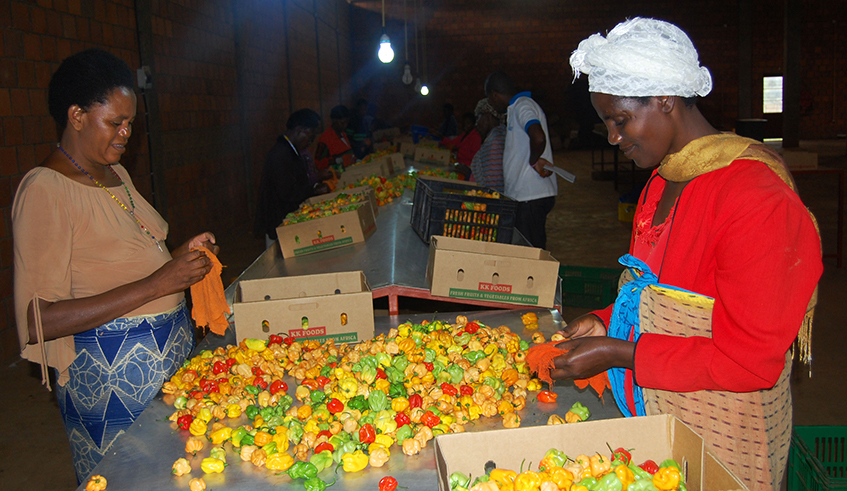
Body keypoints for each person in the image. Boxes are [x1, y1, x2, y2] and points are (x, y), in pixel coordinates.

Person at [552, 18, 822, 490]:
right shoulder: (662, 182)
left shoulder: (755, 197)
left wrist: (621, 352)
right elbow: (665, 293)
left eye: (620, 121)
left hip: (727, 438)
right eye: (607, 124)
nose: (614, 139)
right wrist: (606, 319)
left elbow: (749, 362)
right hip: (660, 416)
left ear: (665, 101)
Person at [12, 48, 218, 482]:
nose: (126, 133)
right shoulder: (45, 191)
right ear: (77, 116)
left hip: (166, 364)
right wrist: (158, 282)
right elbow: (38, 320)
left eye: (130, 124)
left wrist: (179, 256)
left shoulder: (114, 175)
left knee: (181, 472)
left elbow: (125, 258)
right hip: (113, 386)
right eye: (115, 122)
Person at [485, 71, 558, 249]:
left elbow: (538, 136)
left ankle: (538, 277)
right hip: (525, 196)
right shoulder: (516, 107)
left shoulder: (522, 105)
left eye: (489, 99)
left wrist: (534, 161)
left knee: (532, 251)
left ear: (494, 95)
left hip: (530, 195)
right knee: (527, 248)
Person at [254, 108, 327, 248]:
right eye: (310, 137)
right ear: (300, 130)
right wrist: (314, 190)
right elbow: (288, 192)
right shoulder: (281, 154)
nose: (311, 142)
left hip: (286, 221)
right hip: (279, 223)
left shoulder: (291, 151)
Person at [469, 99, 506, 193]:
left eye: (478, 117)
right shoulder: (497, 135)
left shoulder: (496, 141)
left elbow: (493, 185)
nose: (477, 123)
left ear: (488, 116)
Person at [315, 104, 354, 171]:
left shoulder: (342, 133)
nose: (345, 126)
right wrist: (335, 161)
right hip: (335, 176)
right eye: (342, 123)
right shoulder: (325, 139)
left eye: (347, 123)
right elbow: (318, 164)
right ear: (334, 121)